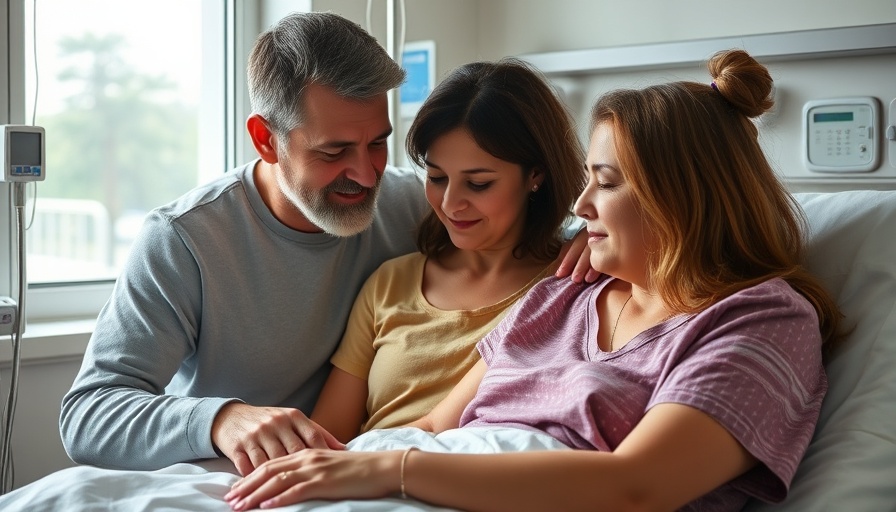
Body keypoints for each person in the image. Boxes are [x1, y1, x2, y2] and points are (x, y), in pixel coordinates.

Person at [223, 49, 843, 512]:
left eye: (606, 182)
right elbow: (439, 429)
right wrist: (340, 470)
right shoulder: (565, 295)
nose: (582, 204)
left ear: (681, 196)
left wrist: (395, 472)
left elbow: (638, 485)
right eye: (588, 180)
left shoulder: (761, 320)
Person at [59, 11, 591, 477]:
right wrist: (222, 418)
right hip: (232, 473)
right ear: (266, 140)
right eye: (334, 151)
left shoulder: (411, 203)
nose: (365, 174)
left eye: (378, 143)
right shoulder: (185, 241)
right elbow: (87, 416)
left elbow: (517, 228)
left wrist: (594, 237)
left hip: (356, 463)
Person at [309, 58, 585, 443]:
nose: (451, 204)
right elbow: (326, 439)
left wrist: (603, 238)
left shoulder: (573, 284)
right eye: (437, 178)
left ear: (535, 175)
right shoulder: (391, 283)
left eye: (479, 184)